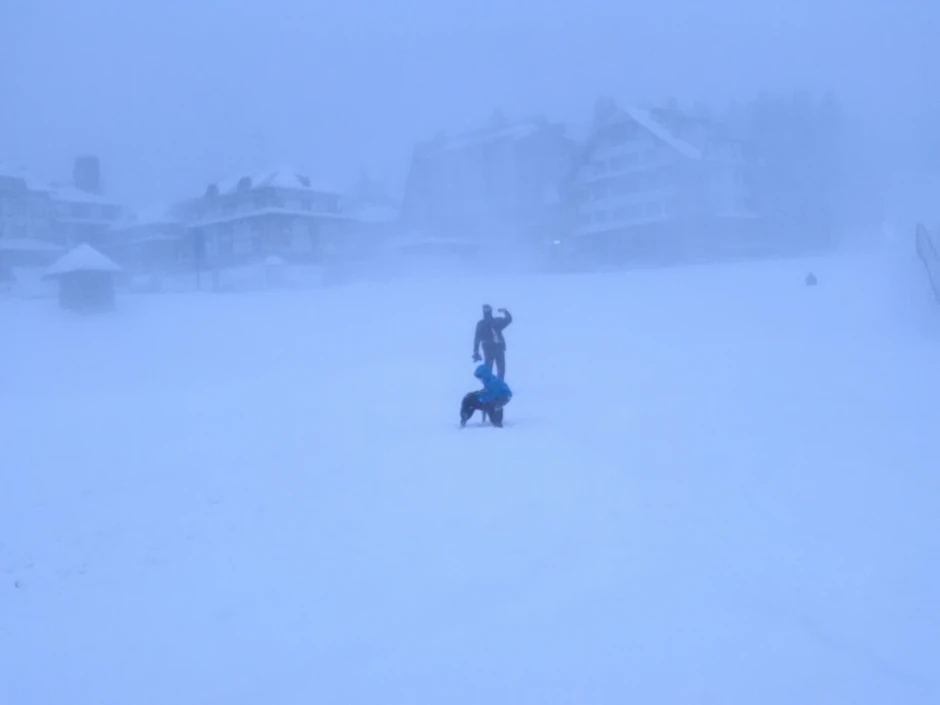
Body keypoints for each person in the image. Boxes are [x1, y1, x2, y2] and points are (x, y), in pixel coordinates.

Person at [460, 364, 513, 428]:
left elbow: (491, 396)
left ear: (485, 375)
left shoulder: (494, 382)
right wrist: (480, 394)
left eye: (481, 377)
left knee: (489, 404)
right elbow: (488, 391)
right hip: (496, 397)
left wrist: (481, 398)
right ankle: (465, 415)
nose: (480, 379)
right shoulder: (489, 380)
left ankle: (497, 421)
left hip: (502, 397)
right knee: (470, 397)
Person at [472, 304, 512, 379]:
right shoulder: (482, 324)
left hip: (497, 347)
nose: (486, 310)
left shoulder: (495, 321)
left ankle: (499, 383)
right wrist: (476, 352)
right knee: (491, 367)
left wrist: (505, 311)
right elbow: (477, 338)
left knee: (499, 368)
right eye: (485, 308)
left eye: (487, 308)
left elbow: (508, 319)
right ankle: (492, 383)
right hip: (490, 348)